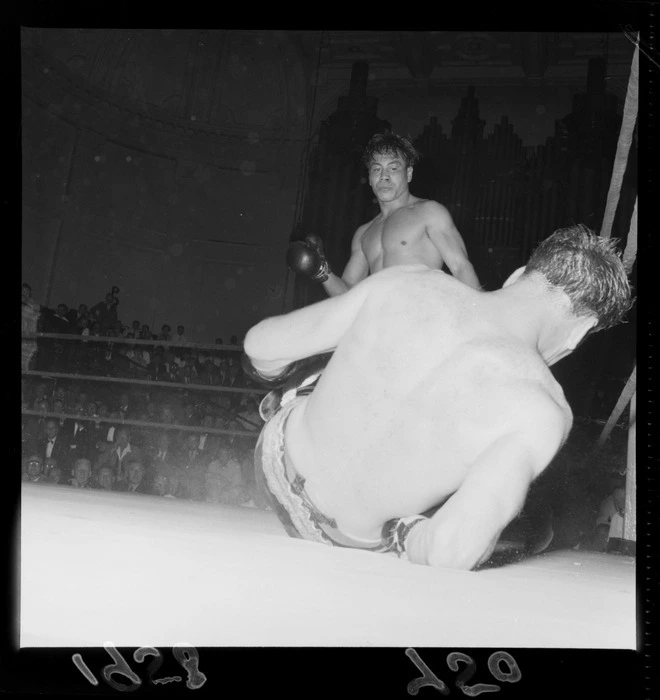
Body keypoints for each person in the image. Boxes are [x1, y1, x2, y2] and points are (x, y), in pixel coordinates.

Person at [243, 225, 632, 570]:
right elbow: (451, 552)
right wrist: (406, 534)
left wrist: (272, 371)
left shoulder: (410, 281)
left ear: (518, 275)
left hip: (273, 459)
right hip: (341, 539)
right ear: (581, 332)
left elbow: (259, 345)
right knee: (524, 521)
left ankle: (300, 387)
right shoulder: (543, 410)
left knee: (335, 351)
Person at [287, 131, 481, 297]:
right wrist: (321, 270)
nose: (384, 176)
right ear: (370, 178)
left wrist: (483, 320)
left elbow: (460, 267)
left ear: (409, 174)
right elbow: (347, 296)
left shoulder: (429, 212)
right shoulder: (364, 233)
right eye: (376, 169)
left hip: (421, 320)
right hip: (380, 325)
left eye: (393, 168)